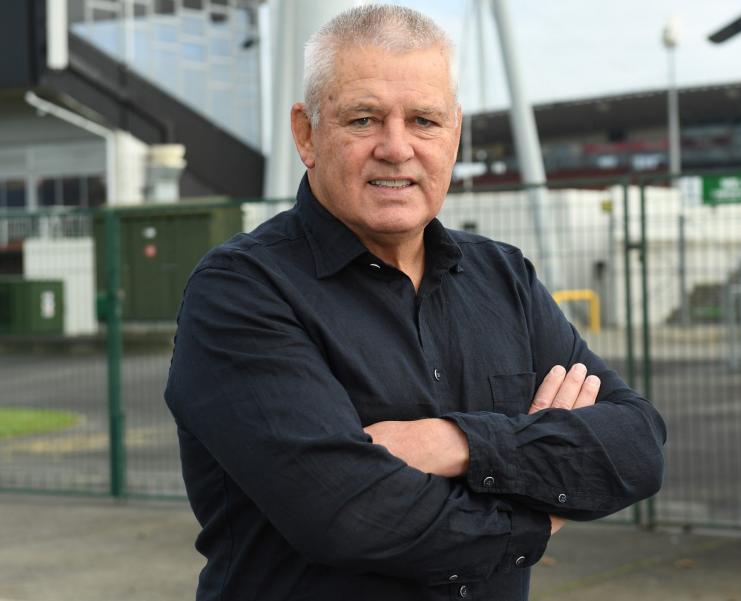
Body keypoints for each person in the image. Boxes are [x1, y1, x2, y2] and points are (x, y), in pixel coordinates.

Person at [164, 5, 666, 601]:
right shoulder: (242, 291)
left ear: (454, 133)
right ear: (307, 134)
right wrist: (540, 505)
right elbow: (350, 517)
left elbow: (636, 448)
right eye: (364, 119)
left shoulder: (502, 276)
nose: (396, 148)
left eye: (424, 120)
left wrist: (455, 444)